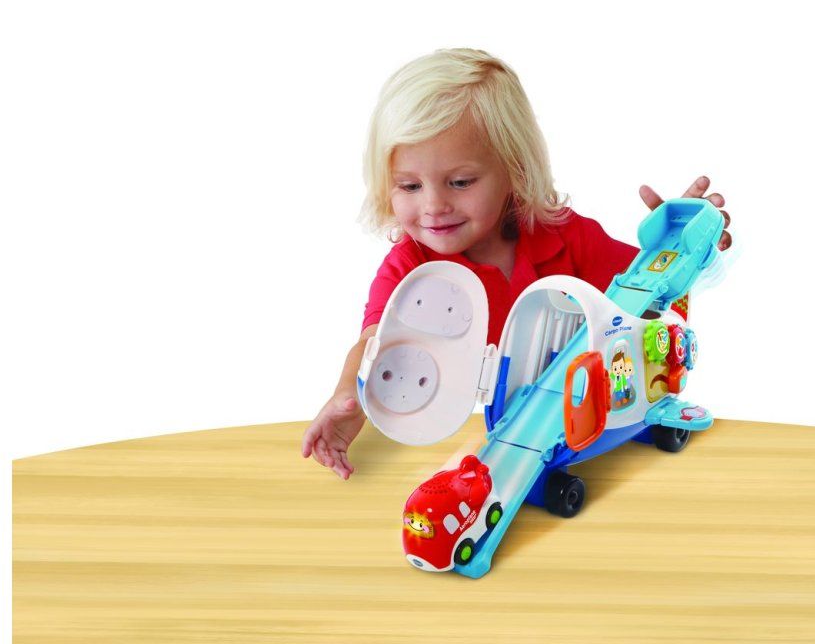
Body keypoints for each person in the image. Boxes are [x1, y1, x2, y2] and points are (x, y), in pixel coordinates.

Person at [301, 48, 731, 479]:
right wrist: (348, 399)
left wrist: (683, 242)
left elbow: (649, 290)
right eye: (409, 186)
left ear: (514, 169)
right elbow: (374, 341)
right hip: (497, 430)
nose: (433, 205)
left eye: (460, 182)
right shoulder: (409, 269)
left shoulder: (567, 237)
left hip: (586, 411)